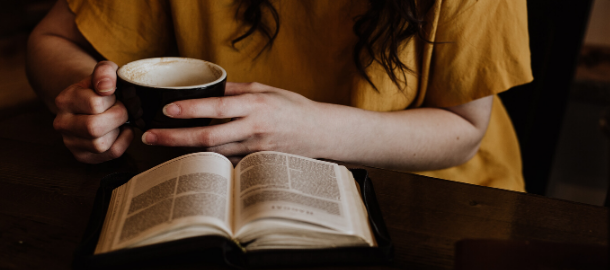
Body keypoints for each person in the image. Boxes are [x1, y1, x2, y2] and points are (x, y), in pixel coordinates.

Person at [26, 0, 532, 191]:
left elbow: (464, 130)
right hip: (206, 188)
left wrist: (310, 130)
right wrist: (91, 98)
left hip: (427, 190)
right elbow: (52, 41)